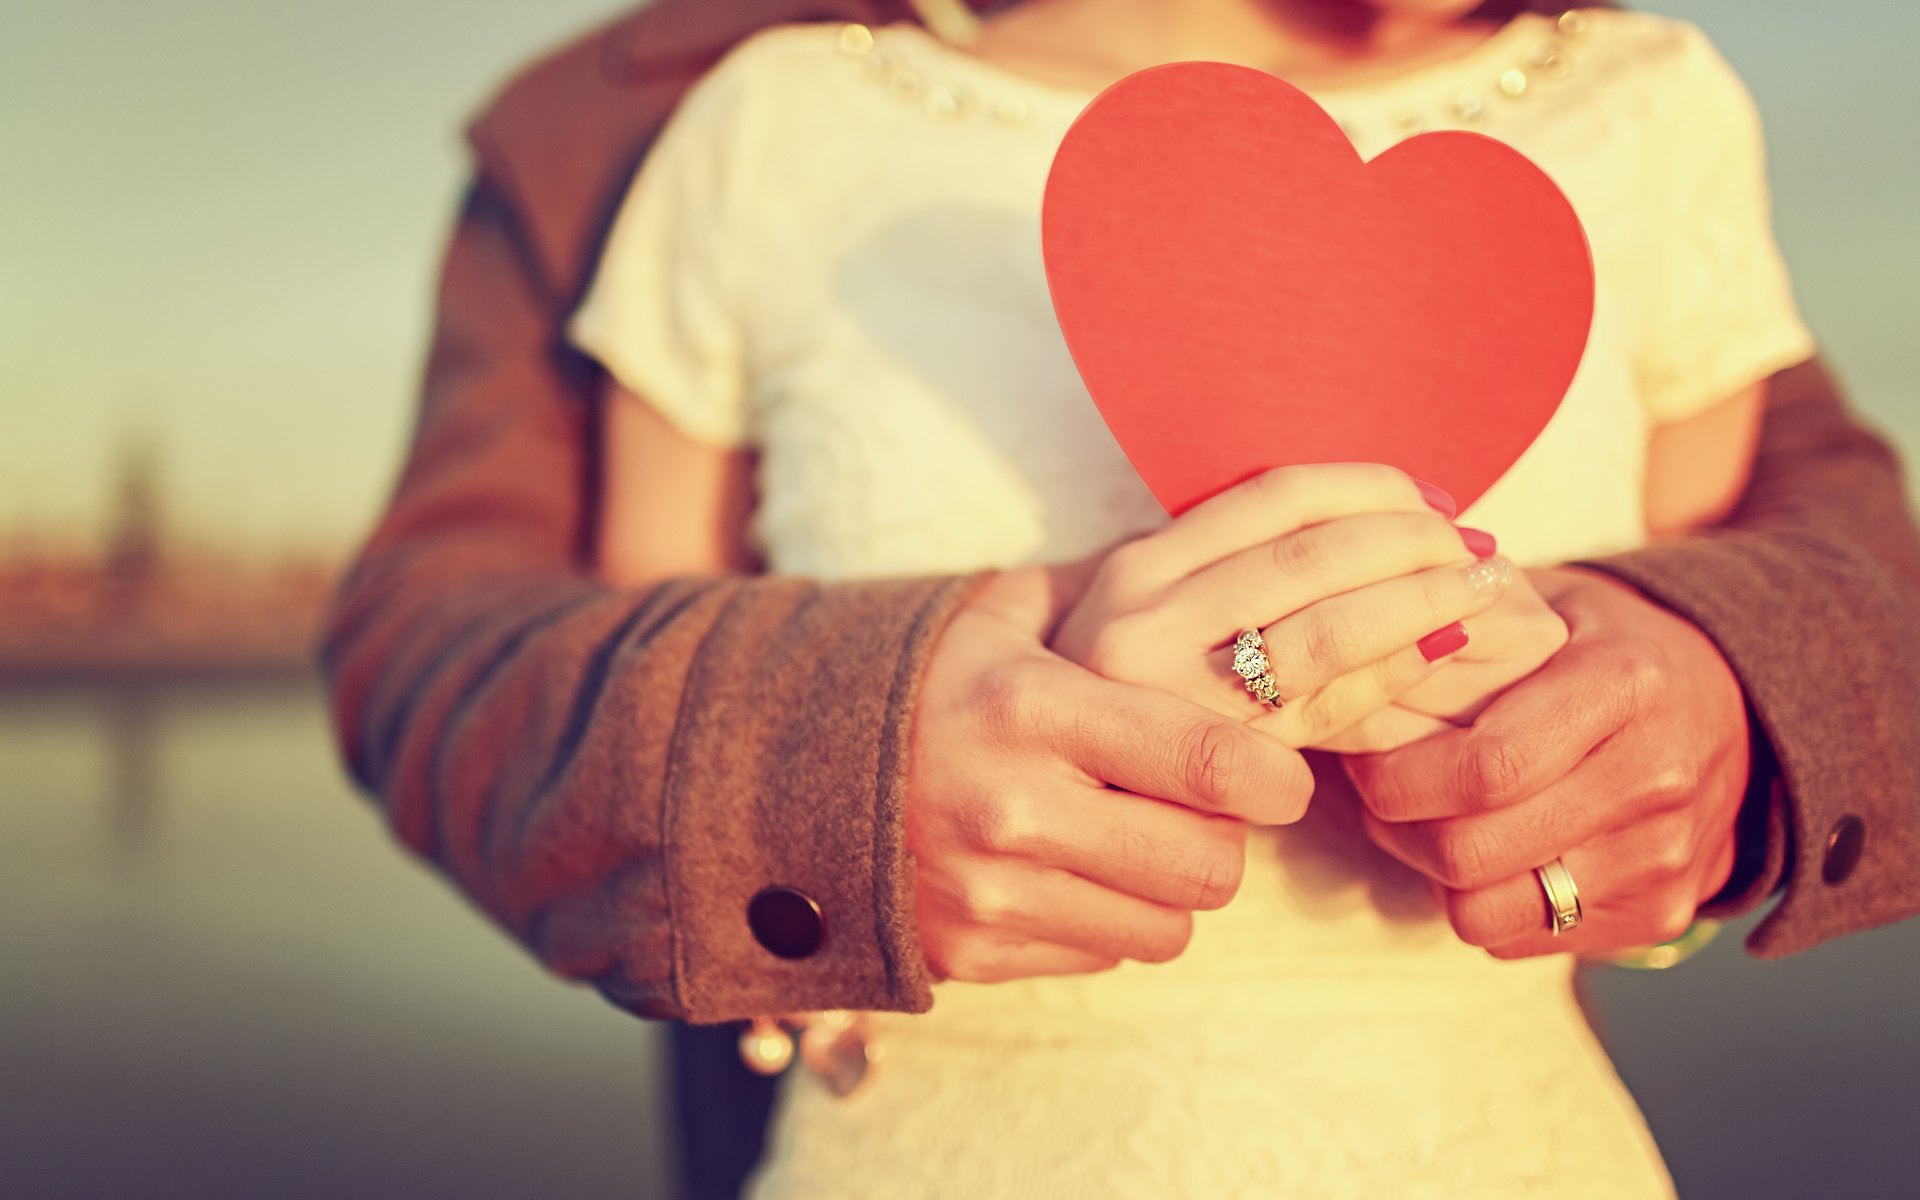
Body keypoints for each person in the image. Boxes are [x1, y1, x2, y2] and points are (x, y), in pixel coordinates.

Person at [322, 1, 1920, 1195]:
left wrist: (1667, 746)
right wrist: (835, 754)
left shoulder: (1653, 112)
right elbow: (595, 681)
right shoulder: (768, 124)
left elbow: (1761, 605)